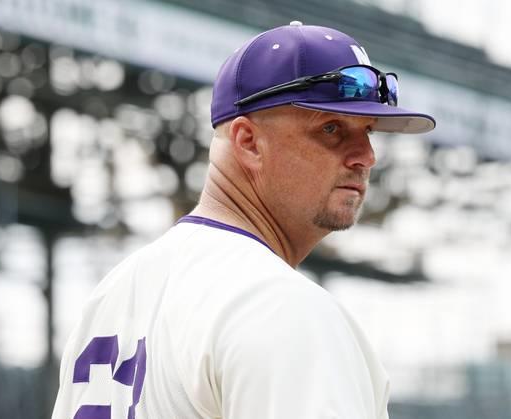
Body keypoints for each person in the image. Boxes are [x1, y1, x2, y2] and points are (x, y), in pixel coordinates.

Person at [51, 21, 435, 419]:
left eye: (368, 130)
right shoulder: (281, 307)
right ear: (249, 143)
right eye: (332, 128)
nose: (365, 156)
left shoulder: (111, 295)